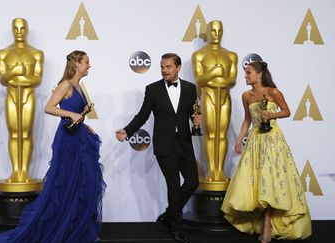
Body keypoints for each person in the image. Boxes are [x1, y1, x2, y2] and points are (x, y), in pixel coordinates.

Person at [0, 50, 105, 243]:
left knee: (80, 183)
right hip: (68, 141)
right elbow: (49, 107)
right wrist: (71, 115)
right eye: (87, 62)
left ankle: (75, 229)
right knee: (67, 184)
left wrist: (84, 125)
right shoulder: (66, 84)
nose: (89, 65)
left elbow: (75, 113)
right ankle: (61, 229)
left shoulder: (78, 85)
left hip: (79, 138)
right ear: (76, 64)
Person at [221, 61, 312, 242]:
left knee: (271, 181)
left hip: (273, 140)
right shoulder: (246, 95)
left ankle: (268, 224)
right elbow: (247, 120)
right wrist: (239, 141)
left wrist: (271, 115)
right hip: (255, 141)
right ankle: (262, 222)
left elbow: (286, 111)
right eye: (245, 73)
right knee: (256, 182)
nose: (245, 76)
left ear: (259, 74)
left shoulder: (273, 92)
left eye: (248, 73)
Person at [116, 53, 201, 243]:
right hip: (165, 145)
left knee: (193, 182)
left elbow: (192, 113)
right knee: (172, 186)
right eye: (162, 67)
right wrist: (127, 131)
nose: (164, 70)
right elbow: (143, 115)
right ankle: (177, 228)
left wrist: (196, 119)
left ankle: (169, 214)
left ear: (178, 68)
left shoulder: (190, 88)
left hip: (185, 144)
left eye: (168, 67)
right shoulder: (153, 89)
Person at [0, 17, 44, 183]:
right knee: (13, 133)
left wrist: (18, 80)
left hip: (28, 96)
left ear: (27, 30)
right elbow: (3, 79)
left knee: (25, 133)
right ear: (11, 30)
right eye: (15, 28)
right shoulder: (3, 53)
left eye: (22, 28)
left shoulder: (36, 53)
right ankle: (15, 171)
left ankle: (25, 171)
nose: (18, 32)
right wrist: (15, 71)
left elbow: (37, 79)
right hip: (11, 96)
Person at [192, 20, 238, 183]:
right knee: (211, 133)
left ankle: (221, 170)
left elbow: (232, 81)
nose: (217, 35)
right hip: (209, 97)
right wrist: (215, 72)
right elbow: (199, 80)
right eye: (213, 31)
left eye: (220, 31)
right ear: (207, 32)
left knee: (222, 134)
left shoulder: (231, 55)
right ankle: (211, 170)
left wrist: (215, 80)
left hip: (224, 97)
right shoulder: (199, 55)